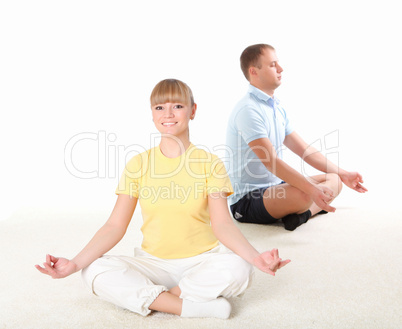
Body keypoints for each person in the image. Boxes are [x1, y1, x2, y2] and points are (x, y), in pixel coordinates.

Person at [35, 79, 290, 319]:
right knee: (92, 270)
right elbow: (115, 226)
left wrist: (255, 257)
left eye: (177, 106)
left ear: (192, 111)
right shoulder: (139, 164)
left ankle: (160, 300)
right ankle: (189, 306)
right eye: (160, 107)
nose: (168, 114)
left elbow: (222, 224)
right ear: (153, 113)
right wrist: (74, 263)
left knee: (240, 267)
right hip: (153, 264)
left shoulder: (210, 163)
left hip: (202, 261)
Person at [226, 44, 367, 231]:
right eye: (273, 64)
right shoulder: (248, 110)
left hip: (276, 187)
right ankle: (307, 208)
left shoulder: (276, 106)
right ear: (254, 71)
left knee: (335, 179)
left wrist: (344, 173)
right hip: (247, 200)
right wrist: (310, 190)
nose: (281, 69)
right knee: (305, 195)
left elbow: (305, 151)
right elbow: (272, 162)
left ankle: (303, 215)